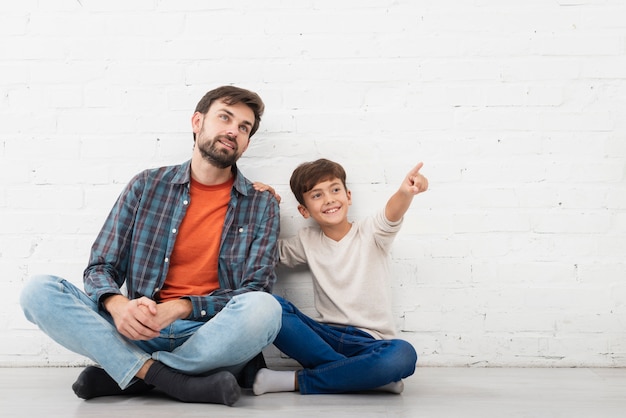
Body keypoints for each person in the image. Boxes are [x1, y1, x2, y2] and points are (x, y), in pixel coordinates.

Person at [20, 85, 282, 407]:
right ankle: (172, 380)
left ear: (247, 142)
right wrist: (119, 306)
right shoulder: (147, 185)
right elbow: (101, 266)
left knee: (266, 309)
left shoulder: (261, 204)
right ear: (197, 121)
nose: (233, 131)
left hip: (208, 337)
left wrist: (181, 307)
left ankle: (131, 373)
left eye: (244, 127)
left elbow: (255, 288)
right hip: (138, 330)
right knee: (38, 291)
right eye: (224, 118)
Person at [252, 158, 428, 395]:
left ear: (348, 196)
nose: (329, 200)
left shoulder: (371, 232)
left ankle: (297, 381)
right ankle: (367, 378)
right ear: (304, 211)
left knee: (403, 354)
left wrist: (406, 192)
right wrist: (262, 206)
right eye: (317, 195)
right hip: (324, 338)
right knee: (269, 305)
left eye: (335, 190)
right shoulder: (307, 241)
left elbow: (392, 213)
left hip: (371, 343)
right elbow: (261, 252)